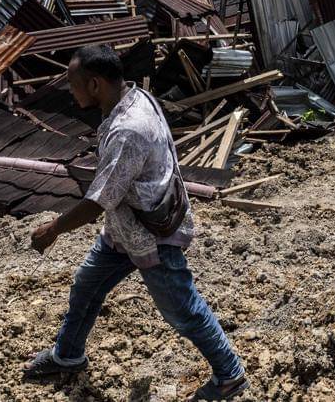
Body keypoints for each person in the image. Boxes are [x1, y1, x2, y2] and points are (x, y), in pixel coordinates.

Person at [22, 45, 247, 401]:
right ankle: (68, 356)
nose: (71, 91)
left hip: (152, 236)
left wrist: (52, 230)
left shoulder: (128, 130)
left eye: (74, 84)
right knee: (86, 286)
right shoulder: (133, 96)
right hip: (125, 227)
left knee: (182, 310)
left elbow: (97, 202)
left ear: (94, 84)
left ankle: (230, 375)